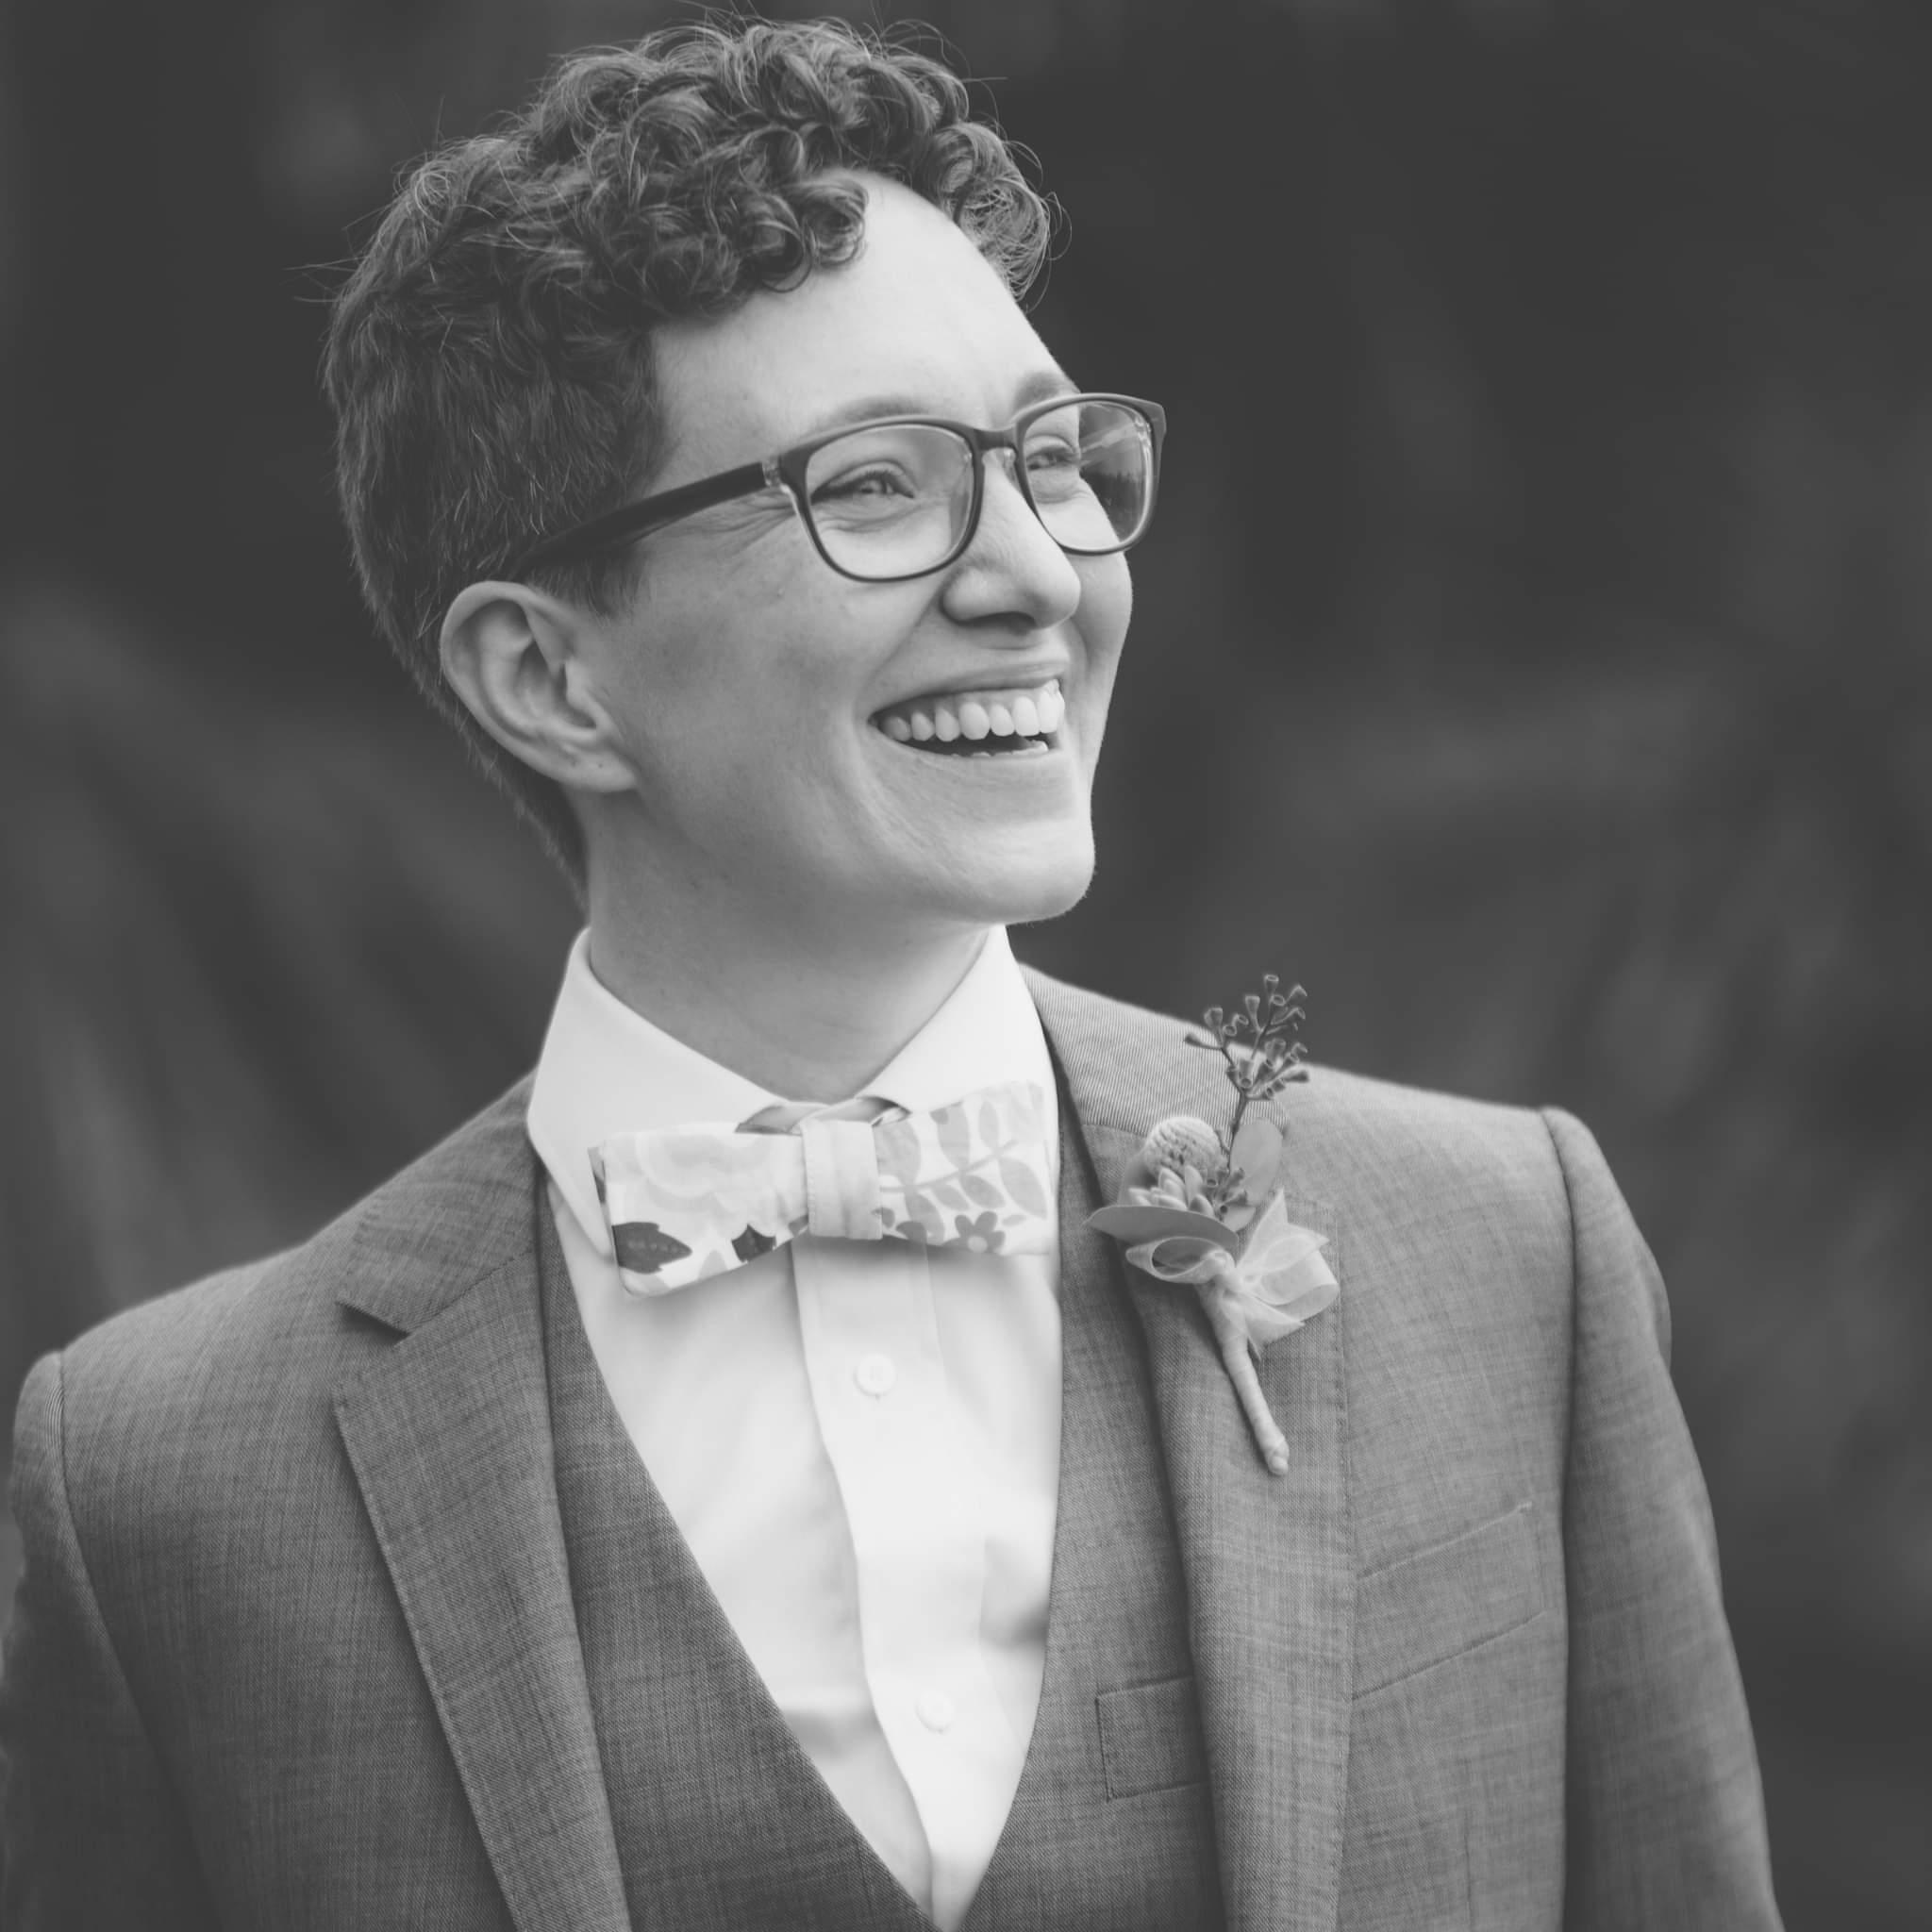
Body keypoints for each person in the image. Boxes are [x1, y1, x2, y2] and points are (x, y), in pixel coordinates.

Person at [0, 18, 1782, 1931]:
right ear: (548, 676)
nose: (1040, 572)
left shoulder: (1510, 1261)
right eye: (873, 487)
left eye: (1053, 459)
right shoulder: (163, 1486)